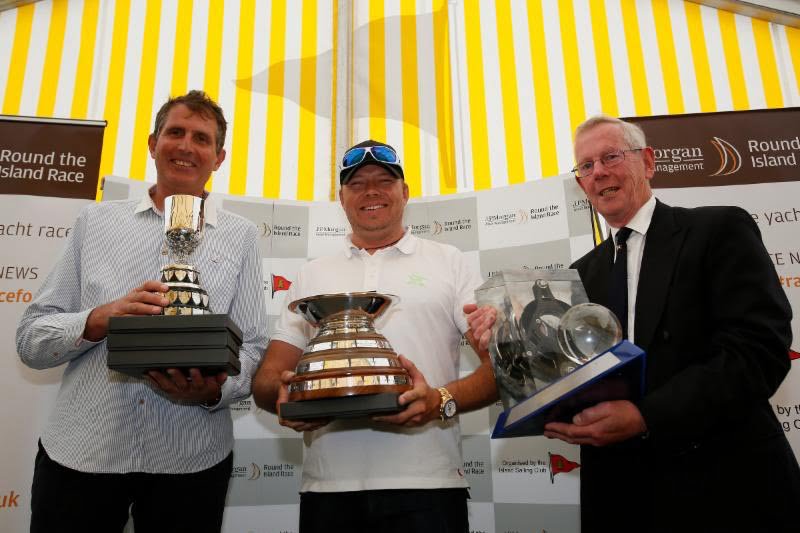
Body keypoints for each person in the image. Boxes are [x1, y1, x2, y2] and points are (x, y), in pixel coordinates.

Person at [468, 114, 800, 532]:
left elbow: (758, 351)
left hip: (725, 487)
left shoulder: (718, 229)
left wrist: (648, 415)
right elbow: (566, 377)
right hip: (622, 496)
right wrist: (505, 340)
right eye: (585, 166)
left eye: (610, 157)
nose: (599, 172)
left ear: (647, 161)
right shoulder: (579, 276)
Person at [16, 90, 268, 533]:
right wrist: (100, 319)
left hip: (191, 459)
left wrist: (212, 391)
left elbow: (252, 346)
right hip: (81, 453)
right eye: (175, 132)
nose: (187, 146)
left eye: (202, 138)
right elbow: (32, 338)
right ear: (153, 143)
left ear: (219, 157)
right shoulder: (94, 222)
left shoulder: (241, 236)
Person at [252, 139, 497, 533]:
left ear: (405, 192)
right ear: (341, 198)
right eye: (356, 183)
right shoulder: (312, 275)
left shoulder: (449, 262)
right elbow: (267, 378)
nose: (371, 191)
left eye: (385, 180)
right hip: (328, 488)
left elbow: (498, 370)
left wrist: (439, 401)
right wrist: (284, 398)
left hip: (429, 484)